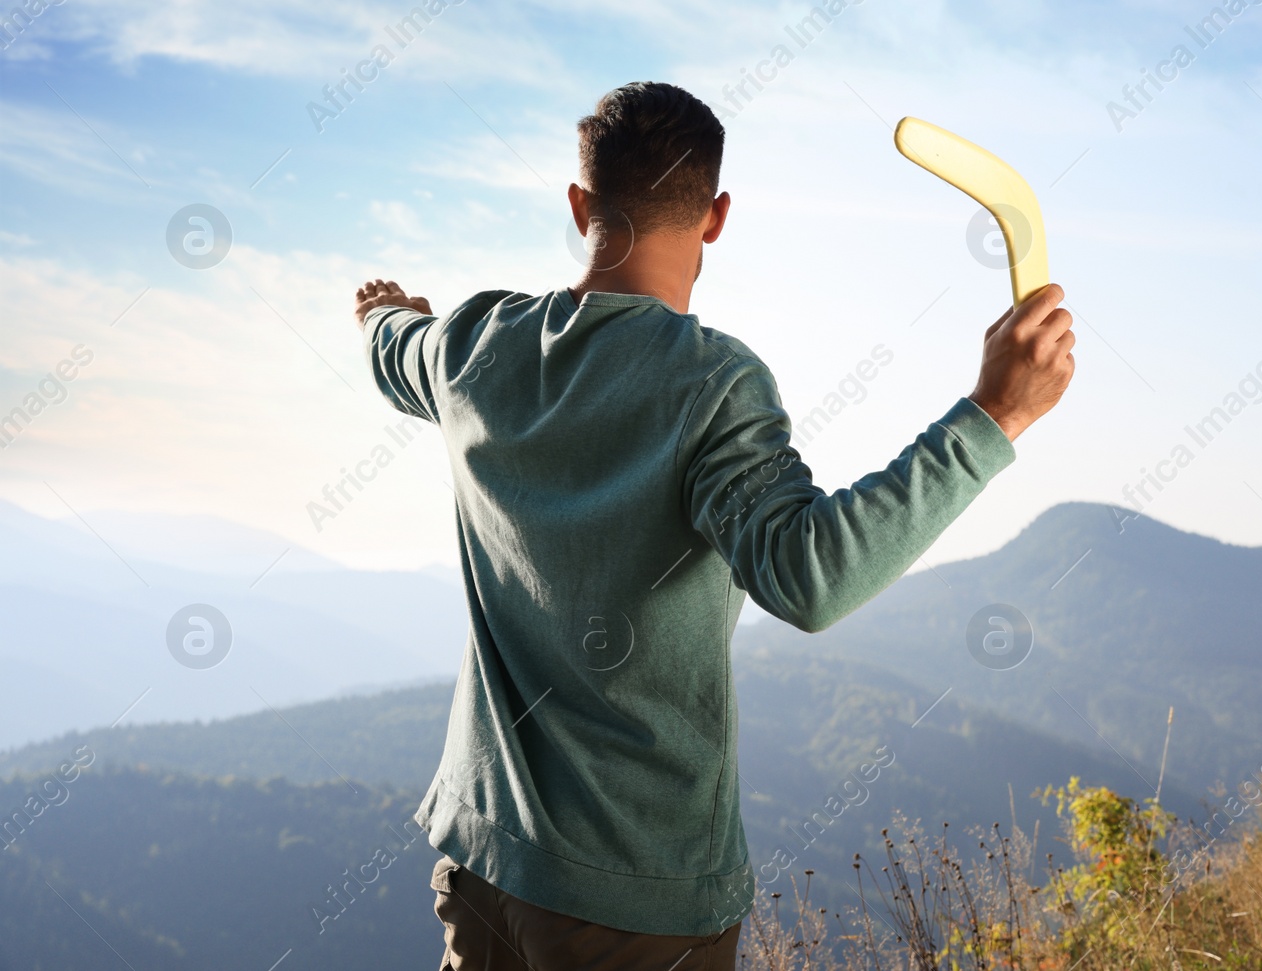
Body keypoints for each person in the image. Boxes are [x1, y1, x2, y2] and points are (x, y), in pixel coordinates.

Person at [352, 81, 1075, 970]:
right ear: (717, 216)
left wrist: (384, 312)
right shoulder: (713, 386)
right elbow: (809, 578)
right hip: (635, 900)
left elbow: (396, 349)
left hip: (483, 864)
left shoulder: (473, 345)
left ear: (581, 205)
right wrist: (994, 414)